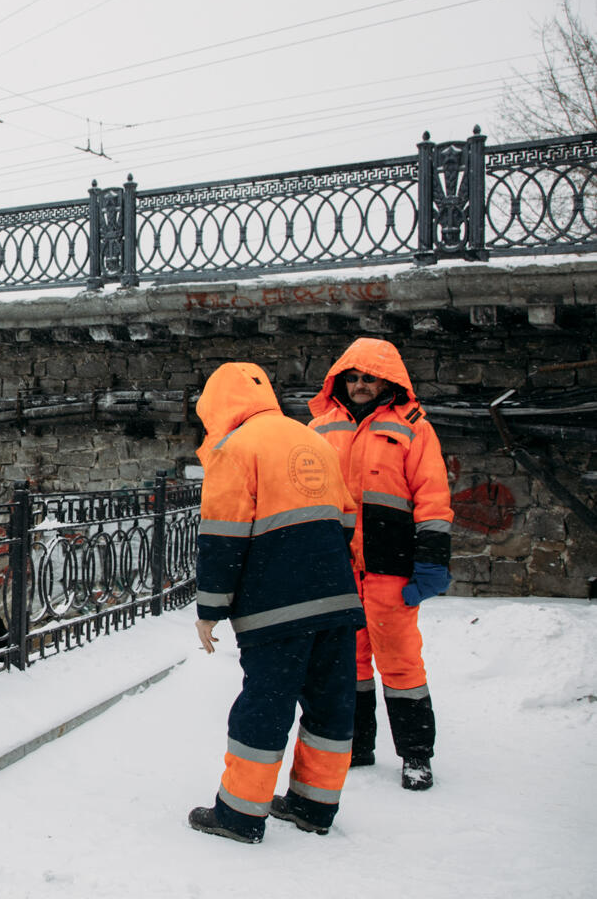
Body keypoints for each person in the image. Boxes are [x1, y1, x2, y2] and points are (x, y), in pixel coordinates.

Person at [188, 362, 363, 844]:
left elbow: (223, 537)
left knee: (265, 705)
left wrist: (209, 610)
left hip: (276, 605)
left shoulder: (234, 448)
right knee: (330, 703)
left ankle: (240, 815)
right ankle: (314, 805)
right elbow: (346, 518)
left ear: (218, 405)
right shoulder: (314, 440)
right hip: (336, 598)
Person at [308, 338, 452, 791]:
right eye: (352, 377)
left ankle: (416, 755)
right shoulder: (319, 427)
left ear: (386, 380)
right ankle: (359, 746)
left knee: (402, 663)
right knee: (349, 661)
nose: (359, 385)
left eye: (368, 377)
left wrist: (430, 562)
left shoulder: (413, 427)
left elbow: (432, 497)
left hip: (392, 568)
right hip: (339, 568)